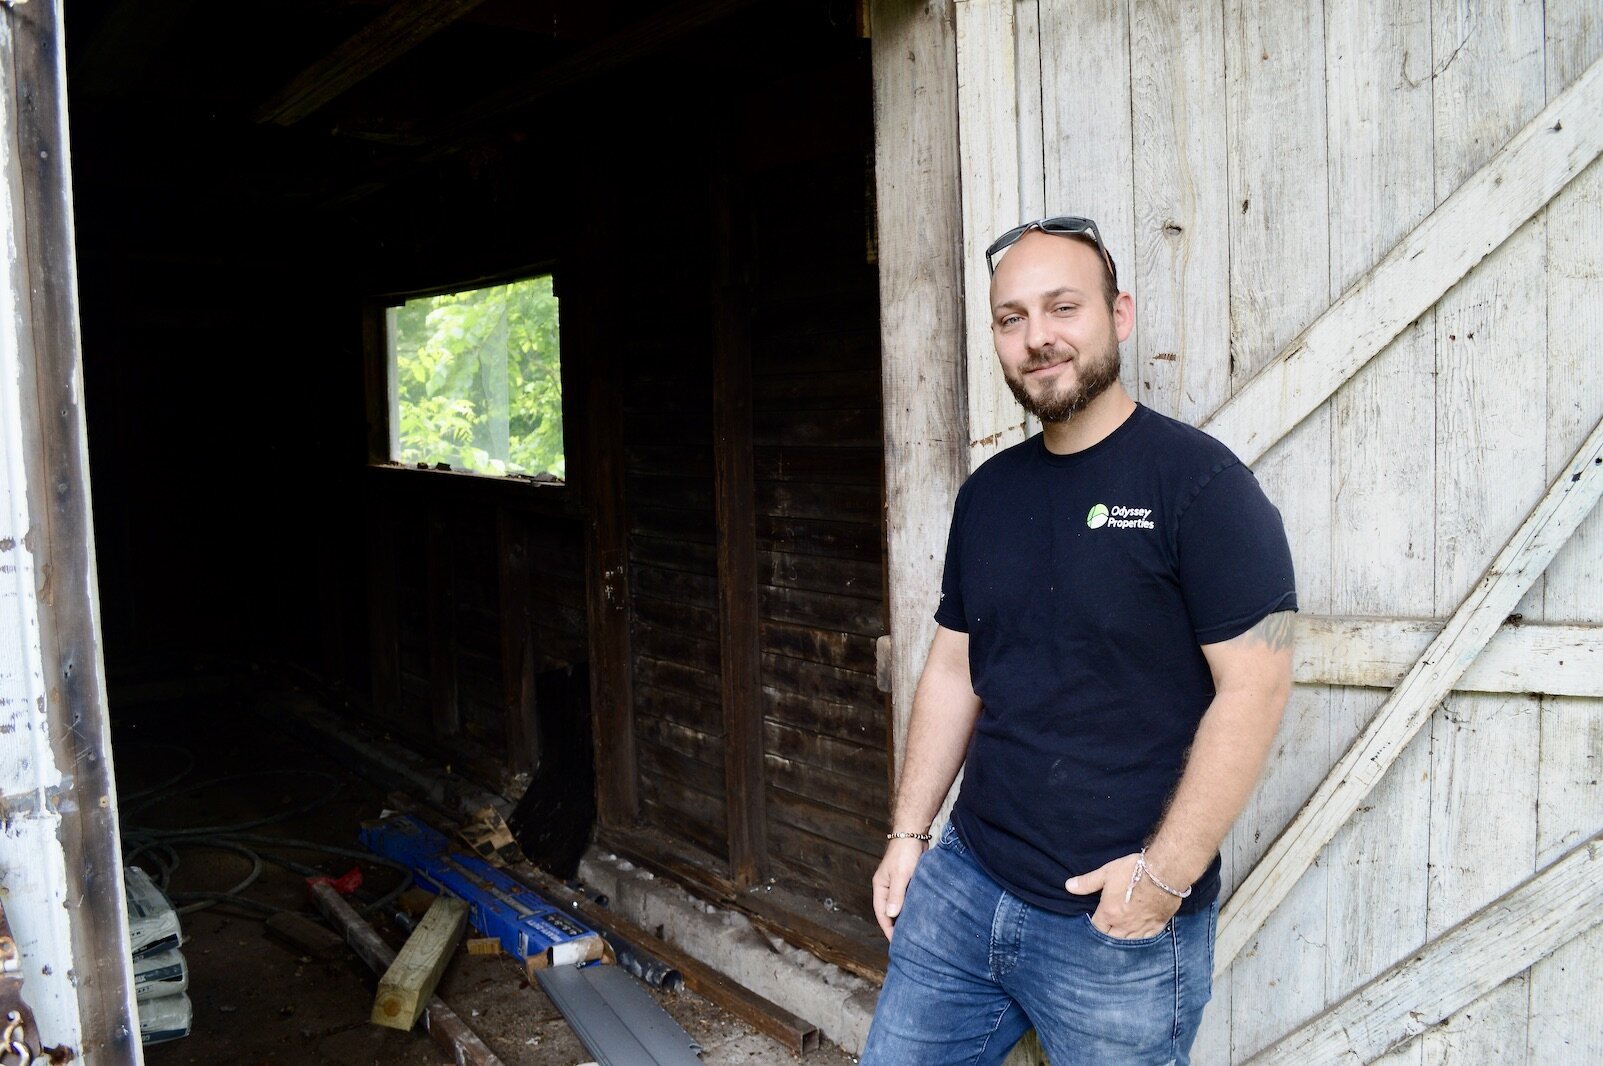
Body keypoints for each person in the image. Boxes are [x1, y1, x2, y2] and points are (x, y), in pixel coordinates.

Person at [860, 217, 1297, 1066]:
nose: (1037, 338)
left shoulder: (1199, 486)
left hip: (1112, 931)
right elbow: (955, 669)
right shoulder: (987, 495)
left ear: (1118, 314)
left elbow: (1257, 687)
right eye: (1010, 318)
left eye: (1062, 307)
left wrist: (1160, 882)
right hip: (965, 883)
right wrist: (908, 836)